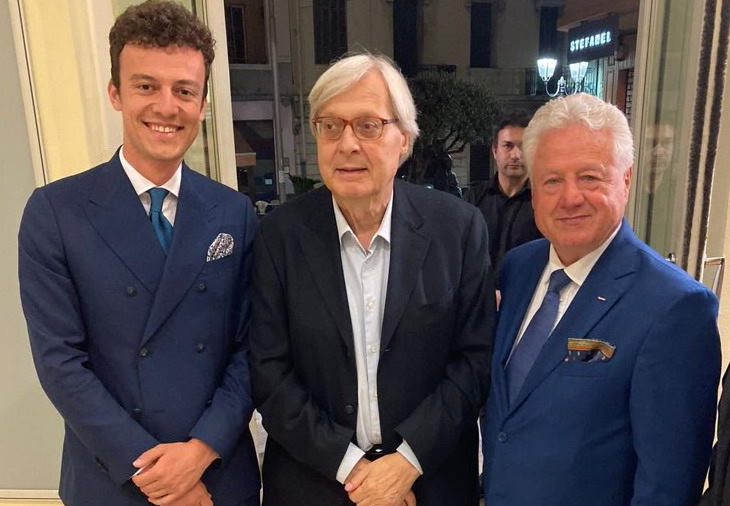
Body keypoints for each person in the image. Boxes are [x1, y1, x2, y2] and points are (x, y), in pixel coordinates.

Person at [17, 2, 260, 505]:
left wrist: (198, 454)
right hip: (113, 478)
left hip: (217, 474)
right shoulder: (55, 212)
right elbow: (60, 363)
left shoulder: (234, 213)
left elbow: (252, 349)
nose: (166, 107)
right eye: (146, 86)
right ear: (115, 93)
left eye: (184, 91)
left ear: (202, 103)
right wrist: (157, 473)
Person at [249, 53, 494, 506]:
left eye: (368, 126)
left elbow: (474, 361)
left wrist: (406, 463)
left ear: (405, 139)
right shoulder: (279, 236)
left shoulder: (457, 230)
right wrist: (355, 471)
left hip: (427, 483)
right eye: (330, 126)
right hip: (314, 484)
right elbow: (268, 371)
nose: (347, 144)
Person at [482, 93, 720, 506]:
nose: (570, 197)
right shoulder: (518, 269)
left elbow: (667, 485)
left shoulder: (675, 307)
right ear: (533, 191)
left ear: (625, 180)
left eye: (590, 177)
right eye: (552, 180)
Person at [465, 111, 542, 277]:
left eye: (523, 147)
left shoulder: (544, 200)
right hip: (480, 290)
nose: (515, 155)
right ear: (494, 150)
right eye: (508, 146)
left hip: (526, 289)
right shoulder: (473, 199)